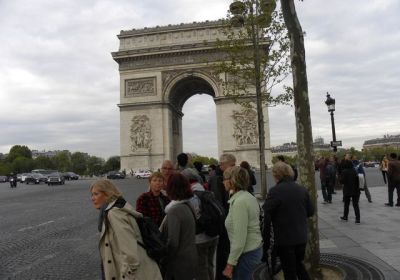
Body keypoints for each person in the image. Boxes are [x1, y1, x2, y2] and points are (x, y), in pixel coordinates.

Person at [90, 179, 162, 280]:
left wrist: (126, 275)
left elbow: (129, 251)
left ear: (107, 193)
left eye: (96, 194)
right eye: (92, 195)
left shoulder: (114, 214)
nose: (92, 198)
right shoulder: (119, 207)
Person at [263, 162, 314, 280]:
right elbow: (310, 212)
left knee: (289, 271)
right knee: (298, 265)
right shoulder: (302, 189)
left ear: (276, 175)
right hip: (301, 237)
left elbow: (266, 212)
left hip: (285, 239)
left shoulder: (275, 191)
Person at [222, 166, 262, 280]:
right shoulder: (248, 196)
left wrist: (230, 264)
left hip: (246, 255)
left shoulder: (239, 202)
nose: (223, 182)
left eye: (225, 179)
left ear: (232, 181)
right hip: (252, 250)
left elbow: (239, 239)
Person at [182, 168, 219, 280]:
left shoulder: (191, 194)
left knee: (201, 269)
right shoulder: (206, 190)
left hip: (199, 238)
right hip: (213, 235)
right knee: (210, 266)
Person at [161, 173, 198, 280]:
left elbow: (173, 243)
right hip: (191, 258)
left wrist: (163, 259)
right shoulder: (188, 205)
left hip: (178, 264)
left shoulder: (174, 211)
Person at [208, 153, 236, 280]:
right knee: (223, 252)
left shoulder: (226, 176)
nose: (235, 168)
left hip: (227, 220)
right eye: (233, 165)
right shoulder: (217, 179)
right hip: (224, 222)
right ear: (223, 165)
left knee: (226, 252)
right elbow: (219, 204)